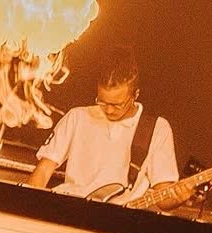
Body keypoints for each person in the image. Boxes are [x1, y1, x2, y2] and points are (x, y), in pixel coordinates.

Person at [24, 46, 182, 208]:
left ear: (135, 95)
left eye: (117, 104)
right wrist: (27, 206)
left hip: (116, 218)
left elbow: (164, 199)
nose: (109, 110)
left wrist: (180, 196)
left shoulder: (157, 129)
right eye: (102, 102)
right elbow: (43, 171)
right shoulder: (77, 117)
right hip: (68, 207)